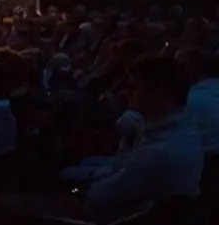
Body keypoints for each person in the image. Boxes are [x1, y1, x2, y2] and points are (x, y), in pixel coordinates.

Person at [81, 56, 203, 216]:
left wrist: (91, 181)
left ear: (158, 92)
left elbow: (98, 196)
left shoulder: (160, 152)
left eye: (134, 87)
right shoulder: (178, 127)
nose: (127, 92)